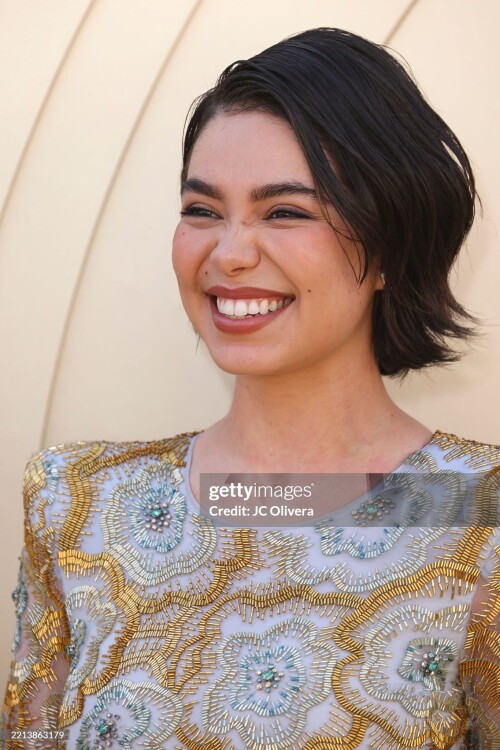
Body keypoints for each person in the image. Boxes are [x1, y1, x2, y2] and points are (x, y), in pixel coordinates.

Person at [1, 26, 498, 750]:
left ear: (391, 245)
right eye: (202, 210)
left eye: (285, 212)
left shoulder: (479, 515)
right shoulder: (75, 504)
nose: (228, 254)